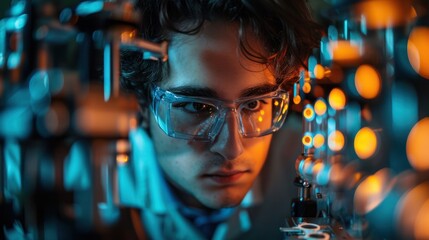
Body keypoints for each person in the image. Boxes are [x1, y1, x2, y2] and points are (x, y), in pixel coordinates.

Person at [120, 0, 321, 239]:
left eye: (254, 104)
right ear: (140, 105)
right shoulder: (85, 181)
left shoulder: (316, 165)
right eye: (197, 106)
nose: (232, 149)